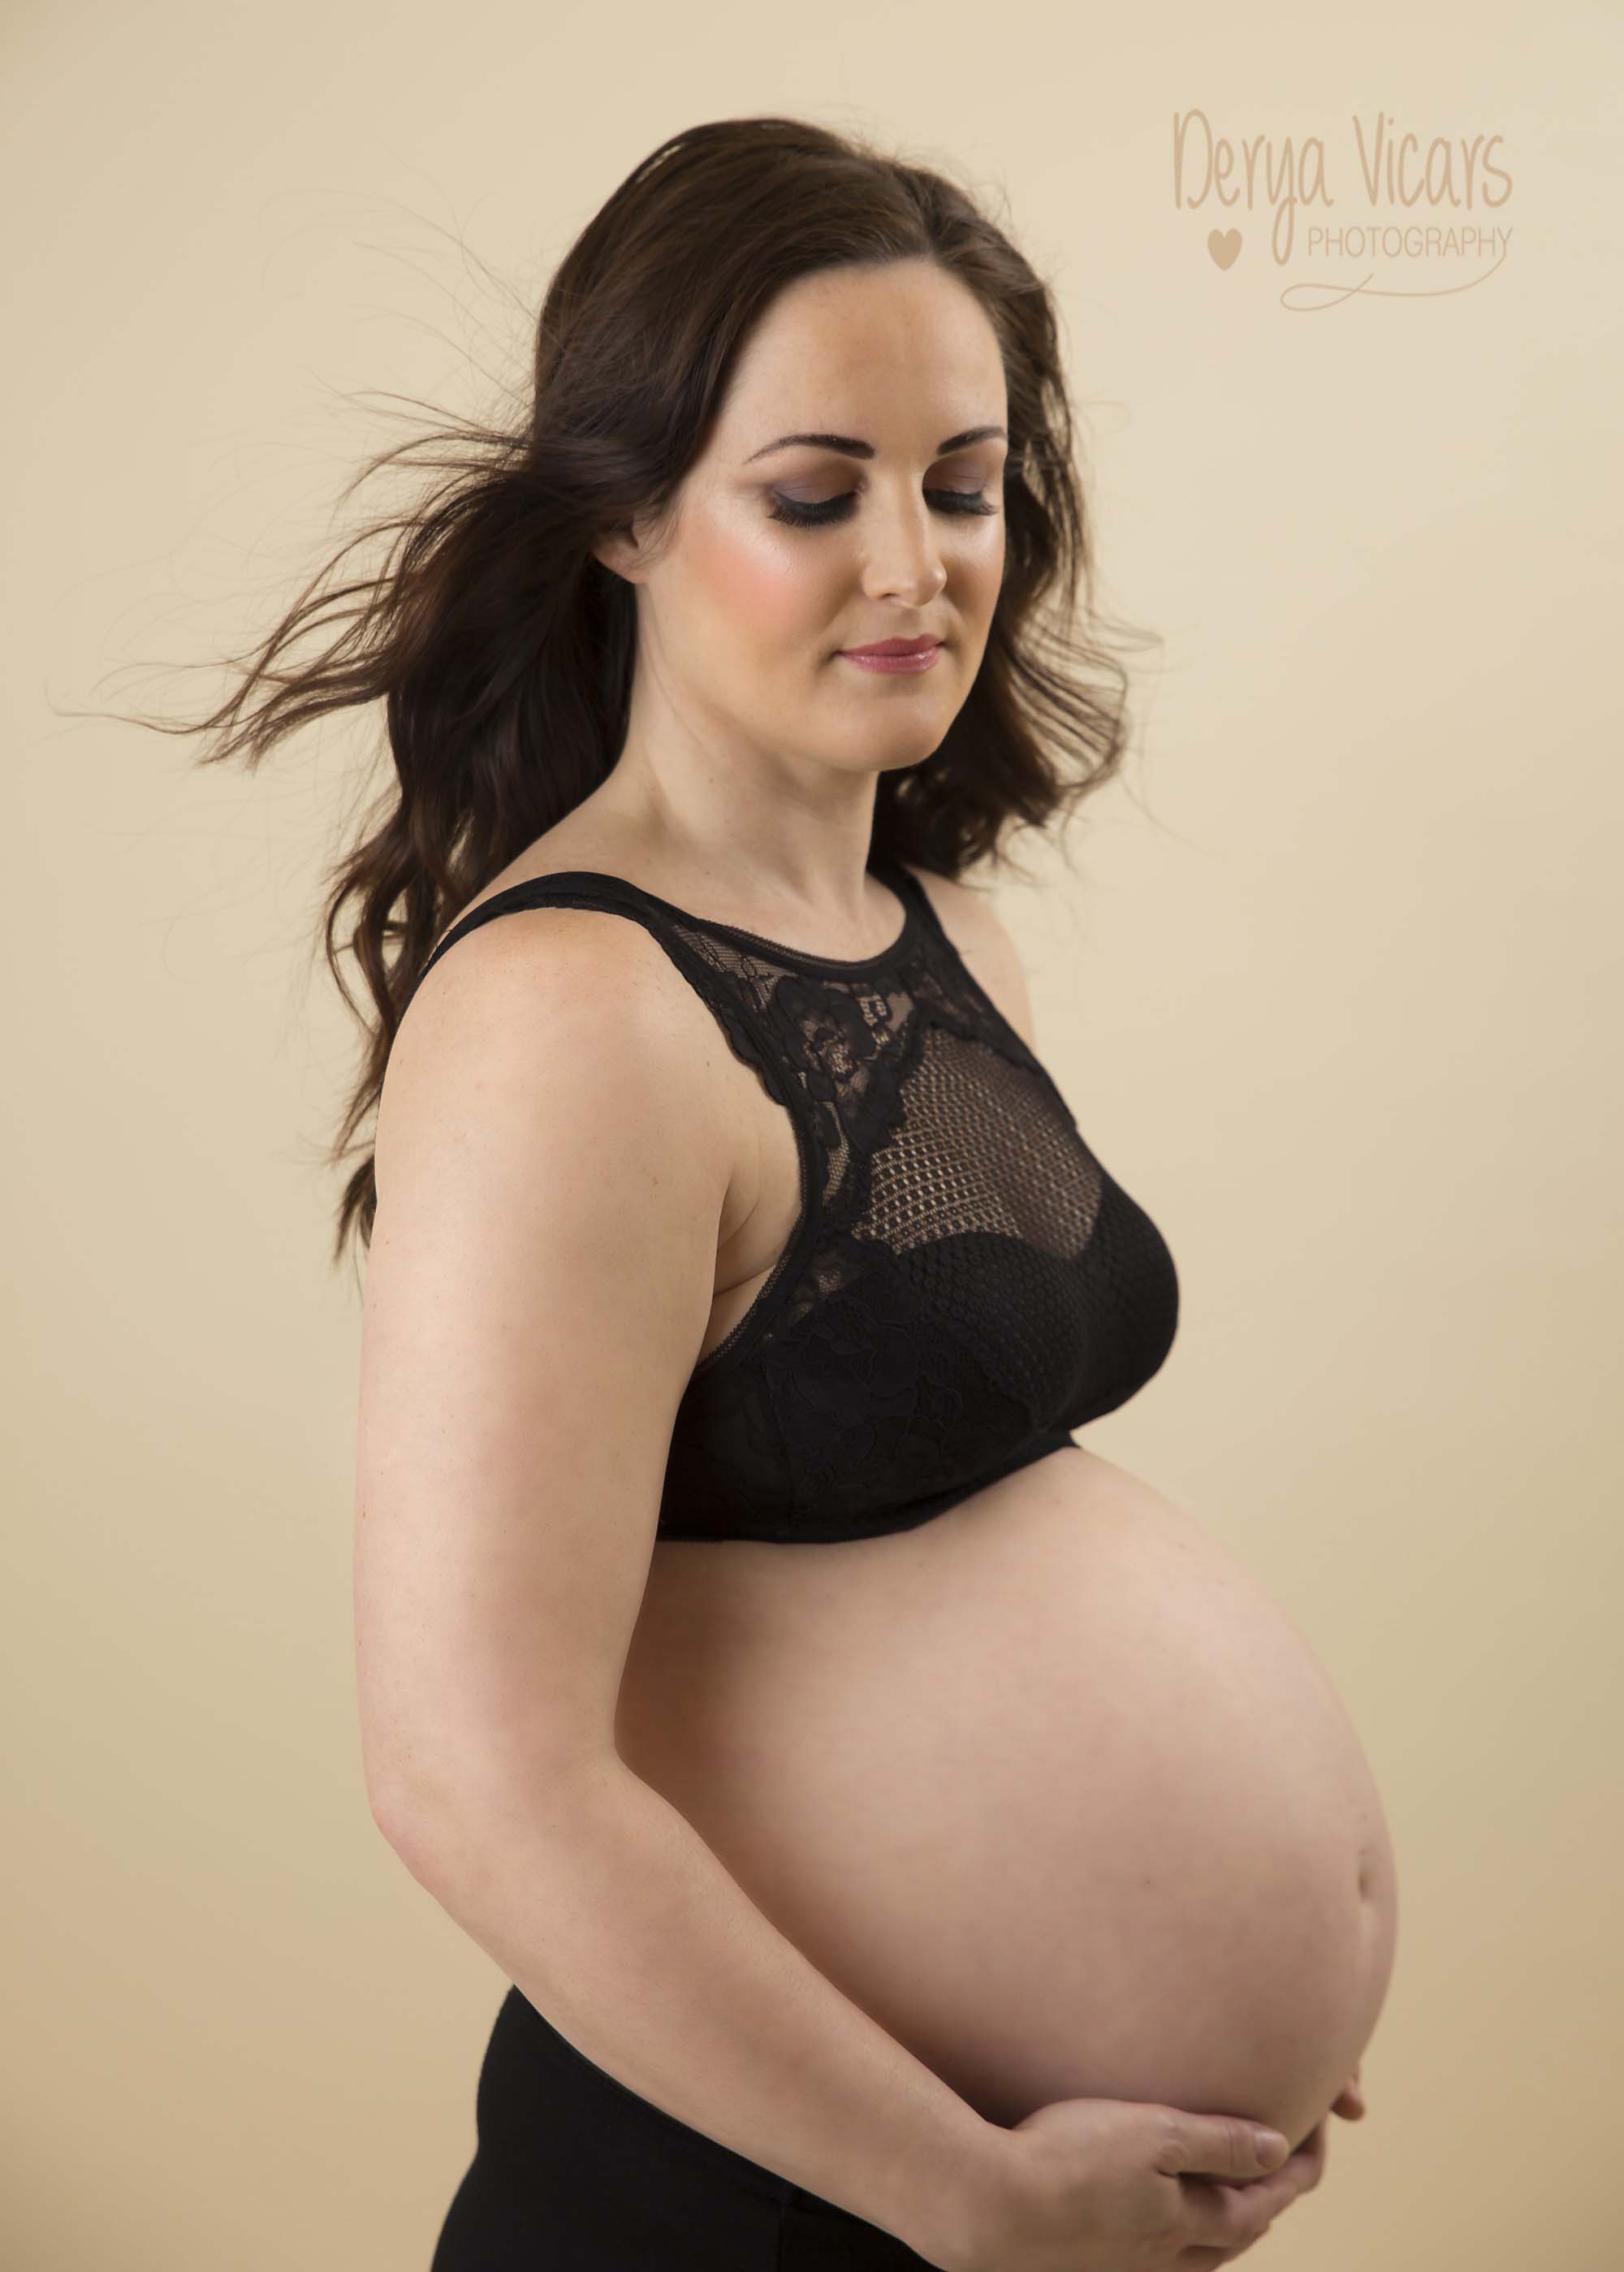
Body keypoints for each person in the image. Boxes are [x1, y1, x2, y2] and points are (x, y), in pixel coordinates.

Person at [166, 115, 1376, 2270]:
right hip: (743, 2210)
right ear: (625, 515)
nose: (914, 561)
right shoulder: (572, 1015)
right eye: (816, 494)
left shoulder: (940, 935)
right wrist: (969, 2193)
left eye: (965, 484)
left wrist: (1245, 1982)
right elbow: (470, 1771)